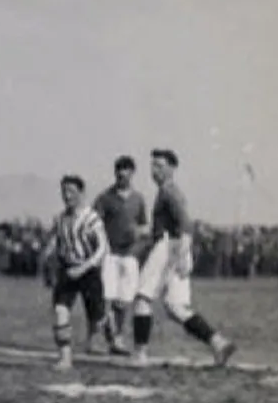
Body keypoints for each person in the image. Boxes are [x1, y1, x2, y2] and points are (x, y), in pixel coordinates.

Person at [133, 149, 235, 367]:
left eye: (159, 166)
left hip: (169, 247)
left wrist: (180, 254)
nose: (154, 170)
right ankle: (218, 342)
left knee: (143, 298)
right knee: (175, 306)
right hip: (176, 248)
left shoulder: (170, 192)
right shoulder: (167, 192)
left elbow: (186, 224)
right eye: (153, 165)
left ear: (171, 168)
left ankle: (140, 354)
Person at [42, 175, 109, 370]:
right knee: (60, 310)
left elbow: (102, 249)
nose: (67, 195)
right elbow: (56, 242)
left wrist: (84, 267)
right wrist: (47, 259)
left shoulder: (92, 218)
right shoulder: (61, 218)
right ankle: (65, 358)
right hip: (68, 271)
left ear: (81, 193)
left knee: (96, 319)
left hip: (88, 271)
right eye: (64, 191)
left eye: (71, 191)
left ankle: (105, 323)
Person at [92, 155, 148, 353]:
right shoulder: (105, 198)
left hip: (130, 255)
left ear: (132, 173)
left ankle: (117, 337)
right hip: (110, 254)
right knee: (107, 297)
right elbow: (94, 225)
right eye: (119, 169)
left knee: (124, 301)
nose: (122, 173)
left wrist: (139, 234)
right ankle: (109, 338)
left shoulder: (138, 199)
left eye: (126, 169)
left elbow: (144, 226)